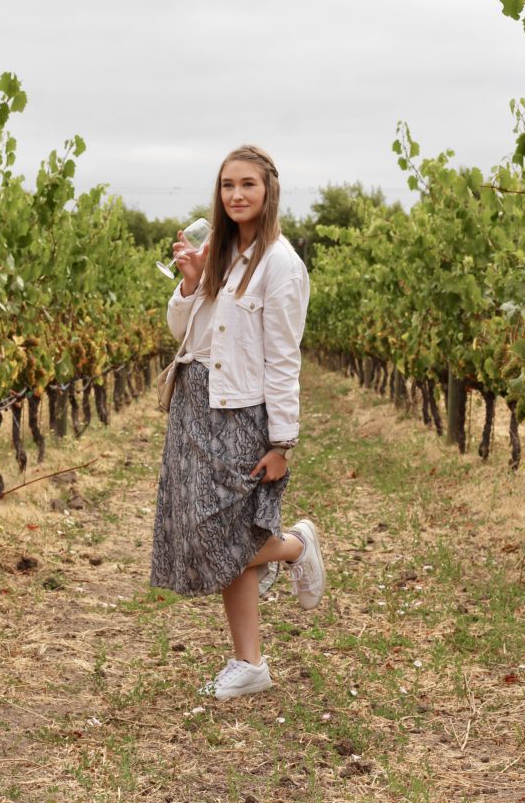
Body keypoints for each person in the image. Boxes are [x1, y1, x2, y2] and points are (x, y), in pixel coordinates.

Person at [150, 144, 325, 699]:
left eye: (247, 184)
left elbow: (283, 357)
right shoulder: (219, 255)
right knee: (200, 531)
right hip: (193, 403)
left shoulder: (282, 265)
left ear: (268, 190)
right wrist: (191, 282)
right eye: (228, 185)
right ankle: (249, 663)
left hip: (240, 411)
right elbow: (183, 328)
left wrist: (282, 442)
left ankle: (294, 546)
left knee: (218, 533)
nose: (236, 195)